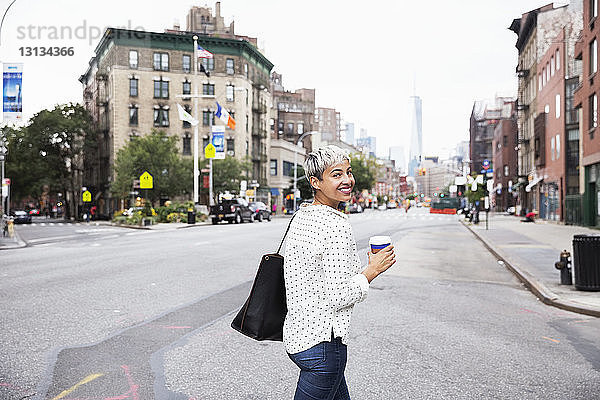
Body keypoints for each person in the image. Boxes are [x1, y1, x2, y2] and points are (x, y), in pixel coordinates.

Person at [284, 145, 396, 400]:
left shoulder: (302, 216)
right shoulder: (335, 225)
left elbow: (315, 276)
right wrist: (372, 270)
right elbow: (339, 295)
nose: (347, 180)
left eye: (348, 172)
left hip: (298, 336)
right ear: (316, 182)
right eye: (336, 175)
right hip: (322, 347)